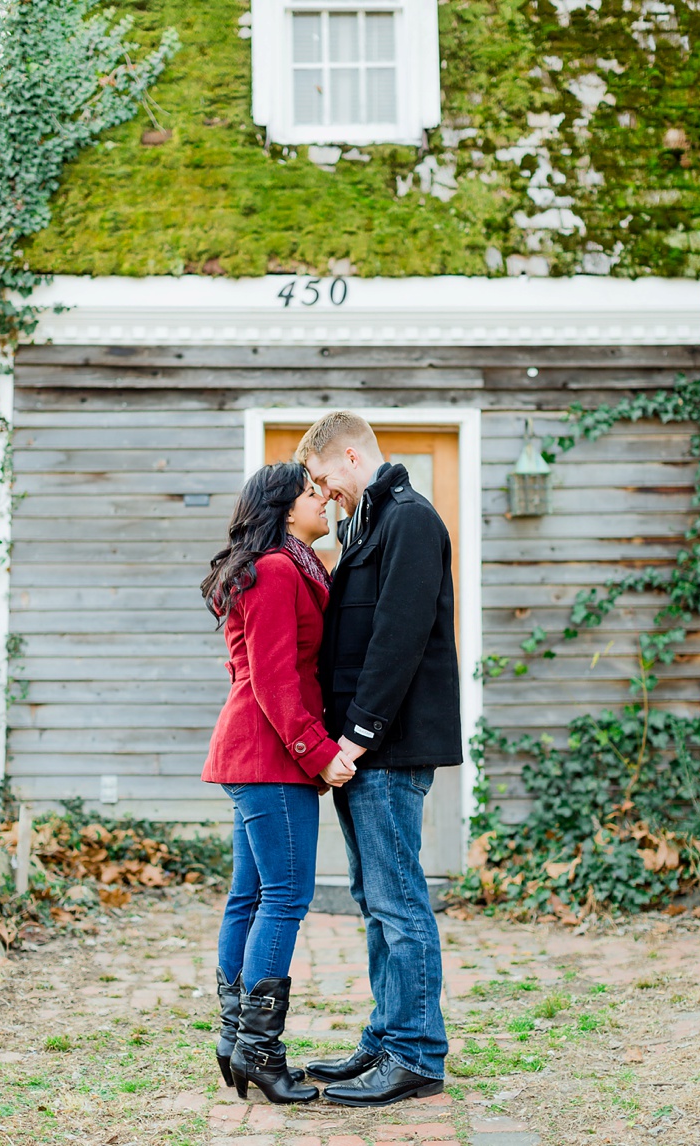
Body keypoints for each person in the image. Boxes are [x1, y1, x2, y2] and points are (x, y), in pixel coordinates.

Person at [296, 411, 462, 1107]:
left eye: (324, 475)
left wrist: (355, 739)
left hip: (384, 750)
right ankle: (387, 1037)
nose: (322, 489)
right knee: (375, 900)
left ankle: (418, 1056)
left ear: (352, 455)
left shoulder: (411, 520)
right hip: (361, 753)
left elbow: (397, 638)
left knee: (400, 904)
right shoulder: (366, 525)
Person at [200, 461, 360, 1105]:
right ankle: (260, 1051)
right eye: (312, 492)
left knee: (250, 895)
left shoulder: (287, 565)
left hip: (255, 753)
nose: (323, 499)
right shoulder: (273, 569)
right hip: (269, 756)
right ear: (285, 507)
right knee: (286, 897)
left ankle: (236, 1035)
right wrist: (318, 753)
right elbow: (272, 681)